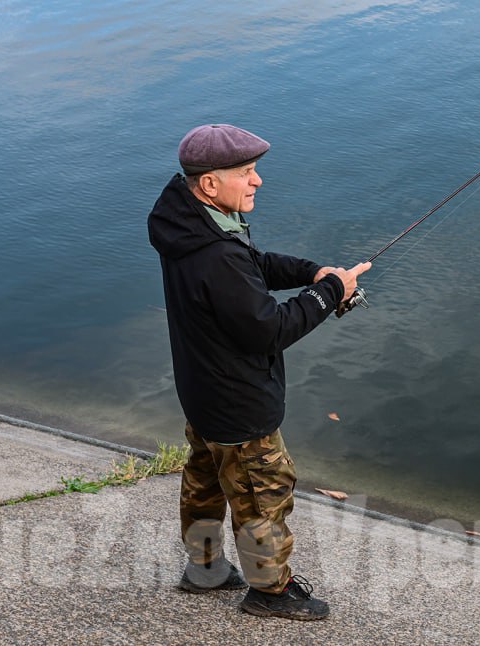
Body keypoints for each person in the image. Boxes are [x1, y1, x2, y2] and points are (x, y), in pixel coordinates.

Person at [147, 123, 370, 621]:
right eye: (246, 173)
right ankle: (270, 592)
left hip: (202, 392)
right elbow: (268, 329)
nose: (257, 182)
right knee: (263, 494)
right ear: (210, 182)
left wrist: (314, 273)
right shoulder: (215, 253)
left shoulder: (190, 223)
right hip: (240, 402)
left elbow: (253, 266)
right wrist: (332, 293)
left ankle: (203, 569)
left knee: (205, 481)